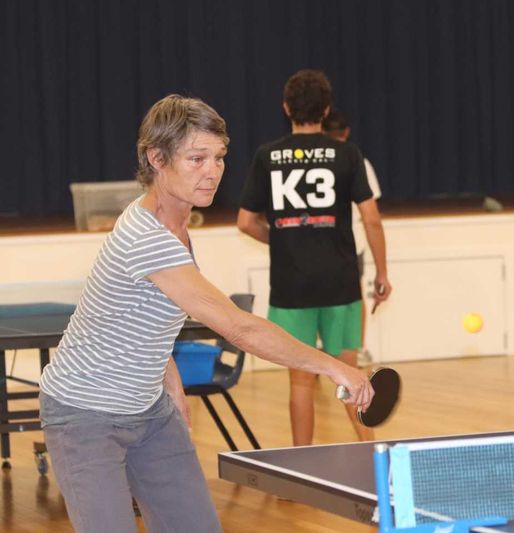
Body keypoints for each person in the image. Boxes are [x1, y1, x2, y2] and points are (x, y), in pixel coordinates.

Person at [37, 94, 373, 533]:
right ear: (156, 158)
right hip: (85, 414)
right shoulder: (147, 238)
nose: (212, 170)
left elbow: (146, 319)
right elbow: (238, 326)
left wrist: (168, 380)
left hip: (149, 412)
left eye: (219, 157)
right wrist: (334, 367)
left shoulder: (176, 226)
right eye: (197, 158)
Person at [237, 70, 391, 446]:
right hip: (341, 284)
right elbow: (370, 218)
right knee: (350, 374)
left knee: (300, 381)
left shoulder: (267, 156)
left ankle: (301, 469)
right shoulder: (347, 153)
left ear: (286, 108)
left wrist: (286, 242)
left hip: (291, 287)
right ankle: (375, 457)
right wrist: (382, 274)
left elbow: (245, 222)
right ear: (326, 109)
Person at [322, 109, 383, 354]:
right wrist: (383, 270)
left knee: (317, 301)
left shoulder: (313, 160)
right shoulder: (357, 160)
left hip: (318, 242)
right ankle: (357, 349)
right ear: (346, 132)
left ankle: (321, 348)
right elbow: (372, 215)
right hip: (351, 244)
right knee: (354, 300)